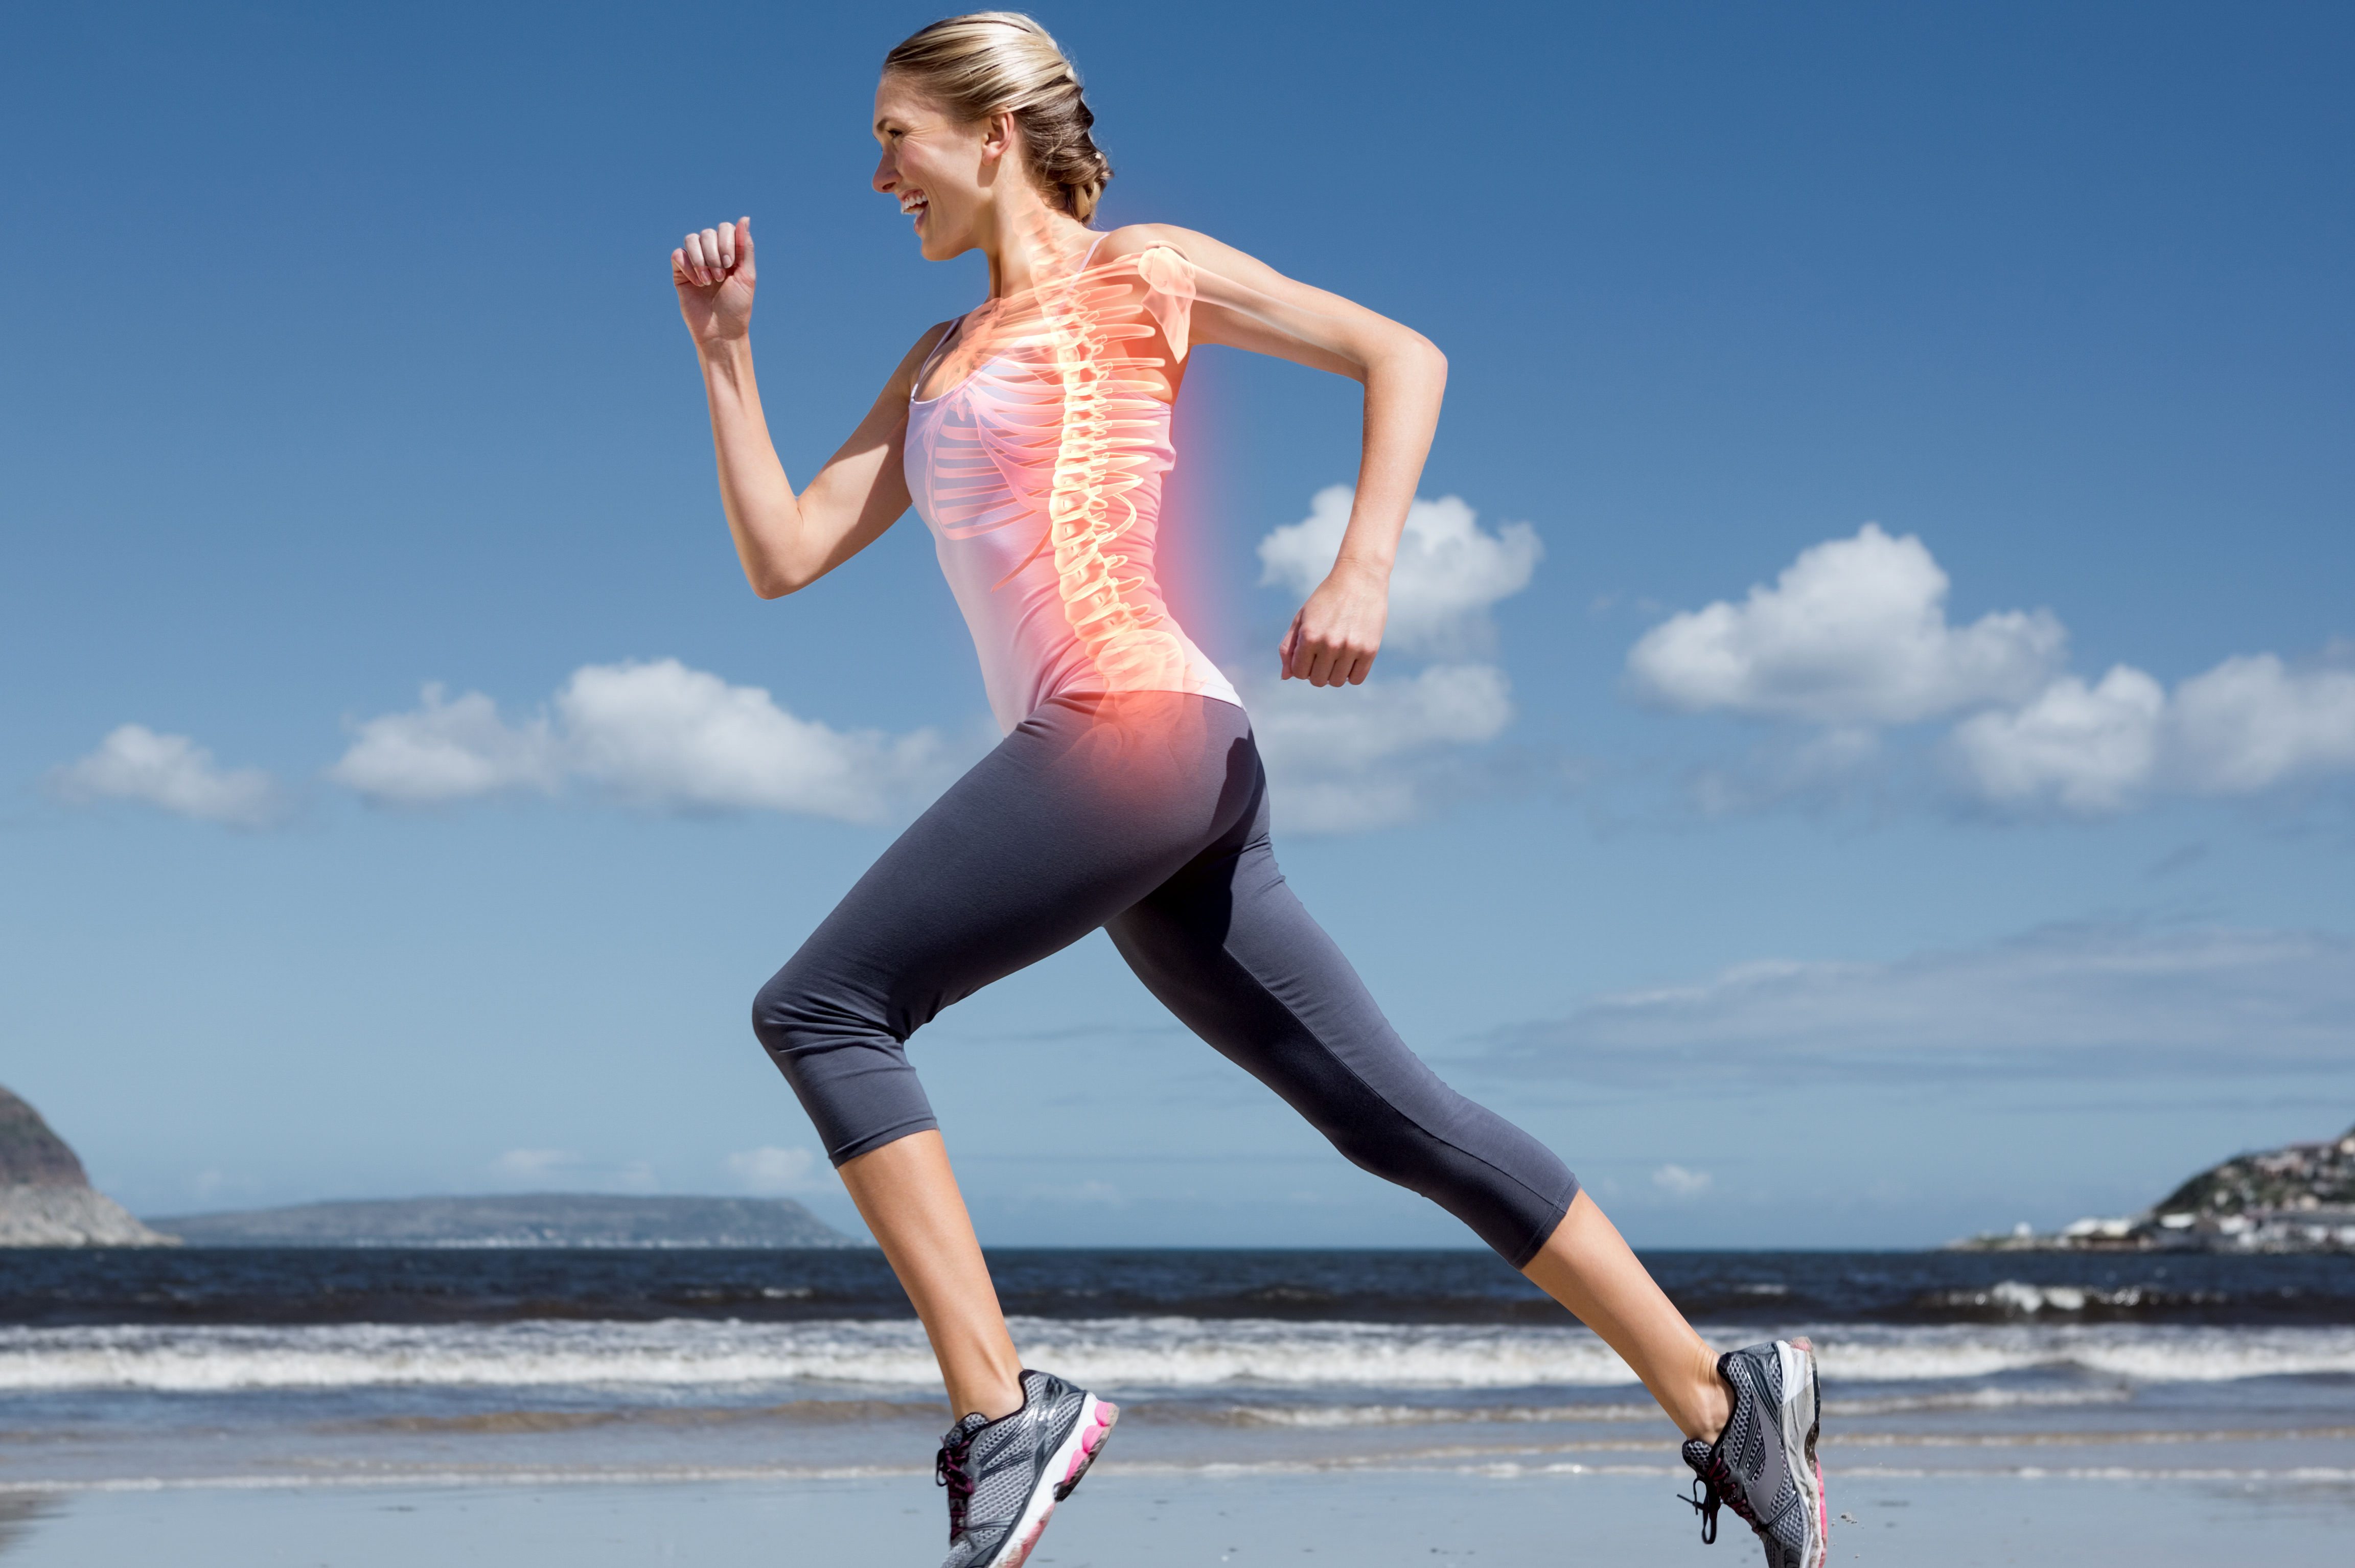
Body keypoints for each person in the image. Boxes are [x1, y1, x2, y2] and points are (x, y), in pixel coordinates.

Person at [669, 13, 1827, 1567]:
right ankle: (1724, 1393)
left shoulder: (1139, 270)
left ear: (992, 132)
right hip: (1157, 769)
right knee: (1388, 1116)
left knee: (822, 1006)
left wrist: (1363, 562)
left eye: (897, 135)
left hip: (1137, 723)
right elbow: (785, 553)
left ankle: (1005, 1407)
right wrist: (728, 355)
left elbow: (1398, 354)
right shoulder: (936, 358)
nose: (878, 173)